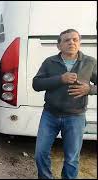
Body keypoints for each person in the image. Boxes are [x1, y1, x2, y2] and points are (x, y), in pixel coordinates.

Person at [32, 29, 97, 179]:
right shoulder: (50, 62)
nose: (71, 43)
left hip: (76, 116)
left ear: (79, 43)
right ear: (59, 45)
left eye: (75, 39)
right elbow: (36, 84)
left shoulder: (90, 62)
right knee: (40, 153)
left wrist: (90, 89)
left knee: (72, 159)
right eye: (67, 40)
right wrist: (60, 79)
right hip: (50, 115)